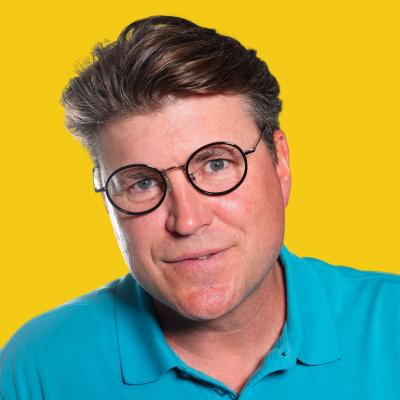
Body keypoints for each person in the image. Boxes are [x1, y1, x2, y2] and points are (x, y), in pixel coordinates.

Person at [1, 15, 399, 400]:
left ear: (280, 163)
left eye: (216, 164)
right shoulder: (36, 372)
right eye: (142, 183)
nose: (187, 220)